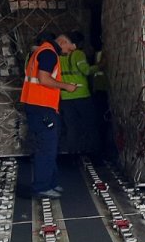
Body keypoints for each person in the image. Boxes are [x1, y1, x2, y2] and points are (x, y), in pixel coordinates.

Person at [20, 32, 78, 198]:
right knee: (46, 149)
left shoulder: (43, 51)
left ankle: (50, 183)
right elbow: (44, 79)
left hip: (40, 107)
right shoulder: (48, 53)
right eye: (69, 48)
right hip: (41, 108)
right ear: (63, 41)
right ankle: (41, 187)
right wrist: (66, 86)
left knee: (50, 147)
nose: (68, 52)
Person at [57, 30, 98, 154]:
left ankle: (72, 154)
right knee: (90, 124)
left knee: (71, 127)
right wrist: (100, 66)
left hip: (65, 97)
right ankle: (94, 152)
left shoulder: (59, 58)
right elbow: (86, 70)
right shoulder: (78, 54)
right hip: (81, 95)